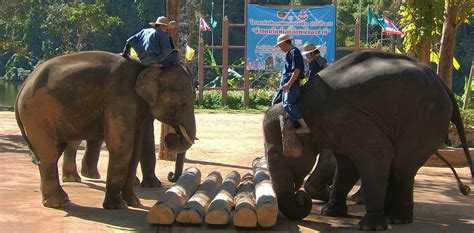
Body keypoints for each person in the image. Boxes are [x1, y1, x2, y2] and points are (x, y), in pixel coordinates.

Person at [272, 34, 310, 134]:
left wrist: (289, 84)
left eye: (280, 45)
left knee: (288, 103)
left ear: (284, 43)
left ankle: (304, 126)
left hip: (291, 85)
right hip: (286, 85)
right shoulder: (291, 53)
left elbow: (296, 70)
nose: (280, 48)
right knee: (276, 103)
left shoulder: (294, 52)